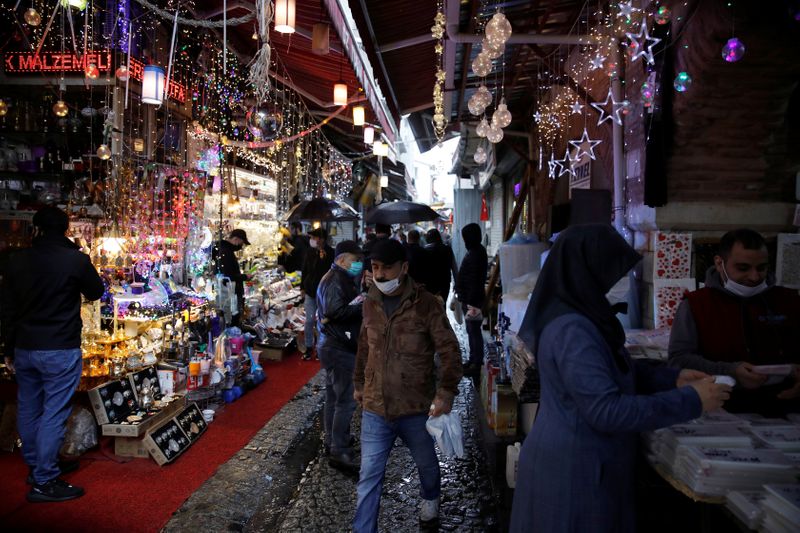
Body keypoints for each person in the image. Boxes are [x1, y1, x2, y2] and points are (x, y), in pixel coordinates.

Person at [510, 224, 730, 533]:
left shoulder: (583, 317)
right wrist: (691, 400)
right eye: (611, 273)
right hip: (576, 472)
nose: (617, 283)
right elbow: (605, 410)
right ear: (588, 270)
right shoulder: (572, 329)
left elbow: (611, 371)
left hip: (583, 463)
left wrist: (673, 379)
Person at [353, 238, 463, 531]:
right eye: (375, 267)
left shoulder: (426, 304)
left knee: (427, 467)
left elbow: (450, 350)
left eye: (387, 268)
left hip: (415, 407)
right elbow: (365, 346)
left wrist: (446, 391)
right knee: (368, 478)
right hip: (375, 408)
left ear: (404, 267)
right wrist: (359, 384)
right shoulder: (370, 302)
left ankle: (430, 500)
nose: (380, 275)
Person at [0, 206, 104, 502]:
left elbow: (6, 309)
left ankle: (37, 467)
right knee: (53, 413)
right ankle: (45, 479)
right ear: (67, 229)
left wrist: (8, 348)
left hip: (25, 346)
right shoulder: (75, 260)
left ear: (36, 229)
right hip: (59, 346)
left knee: (30, 407)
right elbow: (96, 292)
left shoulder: (16, 260)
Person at [668, 228, 800, 416]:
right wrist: (730, 371)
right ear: (719, 263)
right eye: (743, 268)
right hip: (722, 410)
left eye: (761, 268)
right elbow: (678, 361)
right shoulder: (696, 304)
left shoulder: (789, 300)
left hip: (786, 411)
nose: (754, 277)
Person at [315, 240, 364, 471]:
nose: (358, 265)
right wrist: (362, 304)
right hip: (338, 346)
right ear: (342, 259)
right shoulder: (335, 280)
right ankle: (339, 450)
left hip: (333, 344)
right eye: (355, 260)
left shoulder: (339, 277)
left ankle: (333, 439)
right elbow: (334, 311)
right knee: (345, 399)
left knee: (334, 397)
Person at [454, 223, 488, 374]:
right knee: (471, 330)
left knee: (474, 331)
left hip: (472, 301)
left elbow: (474, 280)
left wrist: (469, 302)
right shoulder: (476, 251)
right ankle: (473, 359)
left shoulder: (476, 253)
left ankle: (476, 363)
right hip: (471, 299)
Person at [301, 227, 334, 360]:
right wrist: (302, 288)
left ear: (321, 239)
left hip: (324, 292)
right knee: (309, 320)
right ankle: (309, 347)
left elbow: (332, 272)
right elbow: (305, 270)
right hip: (310, 291)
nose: (312, 240)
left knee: (322, 322)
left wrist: (323, 257)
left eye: (314, 237)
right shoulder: (310, 252)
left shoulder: (331, 252)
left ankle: (321, 349)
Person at [212, 228, 251, 327]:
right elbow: (228, 276)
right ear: (236, 239)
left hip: (228, 292)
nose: (241, 246)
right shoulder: (226, 252)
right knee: (232, 319)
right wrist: (244, 276)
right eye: (241, 243)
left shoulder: (224, 250)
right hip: (230, 292)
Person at [425, 228, 458, 304]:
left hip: (430, 284)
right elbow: (454, 267)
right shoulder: (447, 249)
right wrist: (457, 284)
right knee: (442, 305)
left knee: (431, 306)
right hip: (444, 283)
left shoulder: (425, 250)